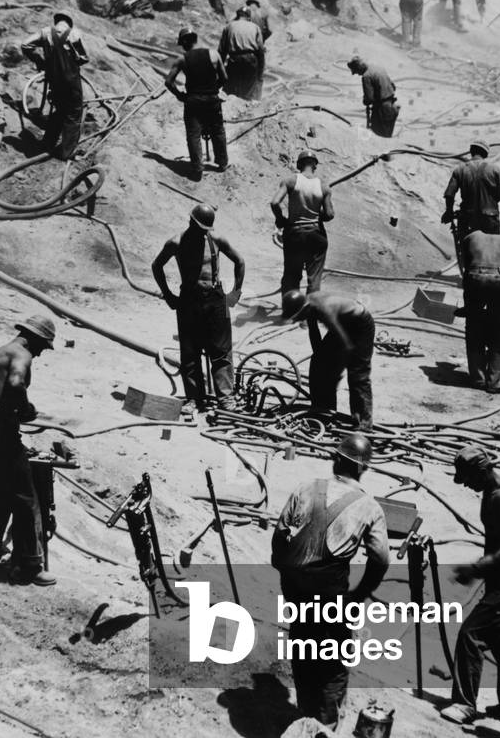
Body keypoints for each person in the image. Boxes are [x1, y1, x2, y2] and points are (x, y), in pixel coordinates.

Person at [271, 432, 389, 728]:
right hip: (331, 595)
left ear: (335, 459)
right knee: (333, 665)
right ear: (363, 468)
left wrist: (287, 572)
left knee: (303, 648)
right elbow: (380, 559)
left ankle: (306, 720)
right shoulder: (369, 507)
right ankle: (324, 728)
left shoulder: (305, 487)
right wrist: (360, 594)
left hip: (296, 589)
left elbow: (279, 536)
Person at [440, 445, 500, 727]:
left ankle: (465, 704)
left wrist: (477, 568)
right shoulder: (491, 492)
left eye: (467, 478)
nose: (466, 485)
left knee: (471, 635)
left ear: (482, 471)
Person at [0, 315, 58, 586]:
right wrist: (26, 409)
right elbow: (17, 384)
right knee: (25, 501)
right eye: (43, 346)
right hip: (3, 440)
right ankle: (30, 567)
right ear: (35, 339)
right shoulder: (22, 355)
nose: (42, 353)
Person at [152, 205, 245, 410]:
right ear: (191, 222)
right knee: (190, 352)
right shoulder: (176, 242)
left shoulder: (217, 240)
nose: (204, 232)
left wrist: (235, 292)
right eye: (201, 227)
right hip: (189, 300)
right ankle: (194, 398)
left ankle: (226, 398)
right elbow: (156, 265)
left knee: (221, 351)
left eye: (206, 229)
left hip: (215, 299)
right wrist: (168, 295)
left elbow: (240, 261)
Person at [282, 290, 375, 431]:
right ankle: (322, 411)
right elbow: (314, 335)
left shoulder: (323, 309)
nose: (297, 321)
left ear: (303, 309)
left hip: (360, 325)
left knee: (357, 374)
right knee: (318, 364)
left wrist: (334, 375)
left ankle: (364, 424)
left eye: (297, 317)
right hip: (343, 324)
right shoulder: (309, 307)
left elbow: (347, 346)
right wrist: (319, 361)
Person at [165, 26, 228, 181]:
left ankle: (197, 168)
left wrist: (180, 96)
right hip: (212, 101)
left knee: (193, 134)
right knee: (218, 131)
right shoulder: (214, 54)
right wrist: (213, 90)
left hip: (193, 101)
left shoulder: (182, 59)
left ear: (185, 42)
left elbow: (168, 82)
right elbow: (224, 78)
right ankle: (222, 163)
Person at [21, 12, 88, 159]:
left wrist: (40, 61)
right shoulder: (74, 34)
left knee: (59, 109)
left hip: (54, 79)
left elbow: (25, 45)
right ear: (69, 24)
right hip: (71, 80)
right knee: (74, 113)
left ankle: (47, 143)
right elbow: (84, 58)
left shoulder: (45, 32)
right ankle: (67, 152)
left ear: (56, 22)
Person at [271, 150, 334, 296]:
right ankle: (311, 316)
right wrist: (317, 216)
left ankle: (291, 312)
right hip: (316, 236)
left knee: (291, 277)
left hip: (294, 234)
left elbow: (274, 203)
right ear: (315, 166)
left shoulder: (290, 181)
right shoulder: (324, 187)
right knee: (314, 279)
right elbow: (330, 214)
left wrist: (281, 220)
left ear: (299, 164)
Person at [461, 230, 500, 394]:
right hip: (498, 278)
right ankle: (494, 382)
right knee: (497, 330)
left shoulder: (470, 237)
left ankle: (478, 378)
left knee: (474, 325)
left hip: (475, 276)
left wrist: (469, 306)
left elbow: (466, 268)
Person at [442, 140, 500, 243]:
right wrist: (488, 204)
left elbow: (449, 194)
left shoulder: (460, 169)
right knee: (493, 251)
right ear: (485, 154)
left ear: (471, 151)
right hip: (489, 219)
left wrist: (449, 212)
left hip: (467, 218)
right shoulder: (495, 169)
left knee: (466, 253)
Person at [218, 6, 265, 100]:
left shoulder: (229, 26)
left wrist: (220, 69)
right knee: (249, 92)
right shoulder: (255, 27)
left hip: (234, 59)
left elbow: (222, 51)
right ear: (249, 17)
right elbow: (260, 51)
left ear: (237, 15)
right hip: (250, 60)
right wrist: (260, 71)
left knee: (231, 91)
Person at [347, 55, 400, 137]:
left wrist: (365, 101)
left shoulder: (366, 76)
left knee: (378, 137)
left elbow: (369, 99)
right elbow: (393, 87)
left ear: (359, 67)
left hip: (382, 111)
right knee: (387, 136)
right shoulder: (378, 68)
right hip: (392, 107)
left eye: (356, 71)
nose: (357, 74)